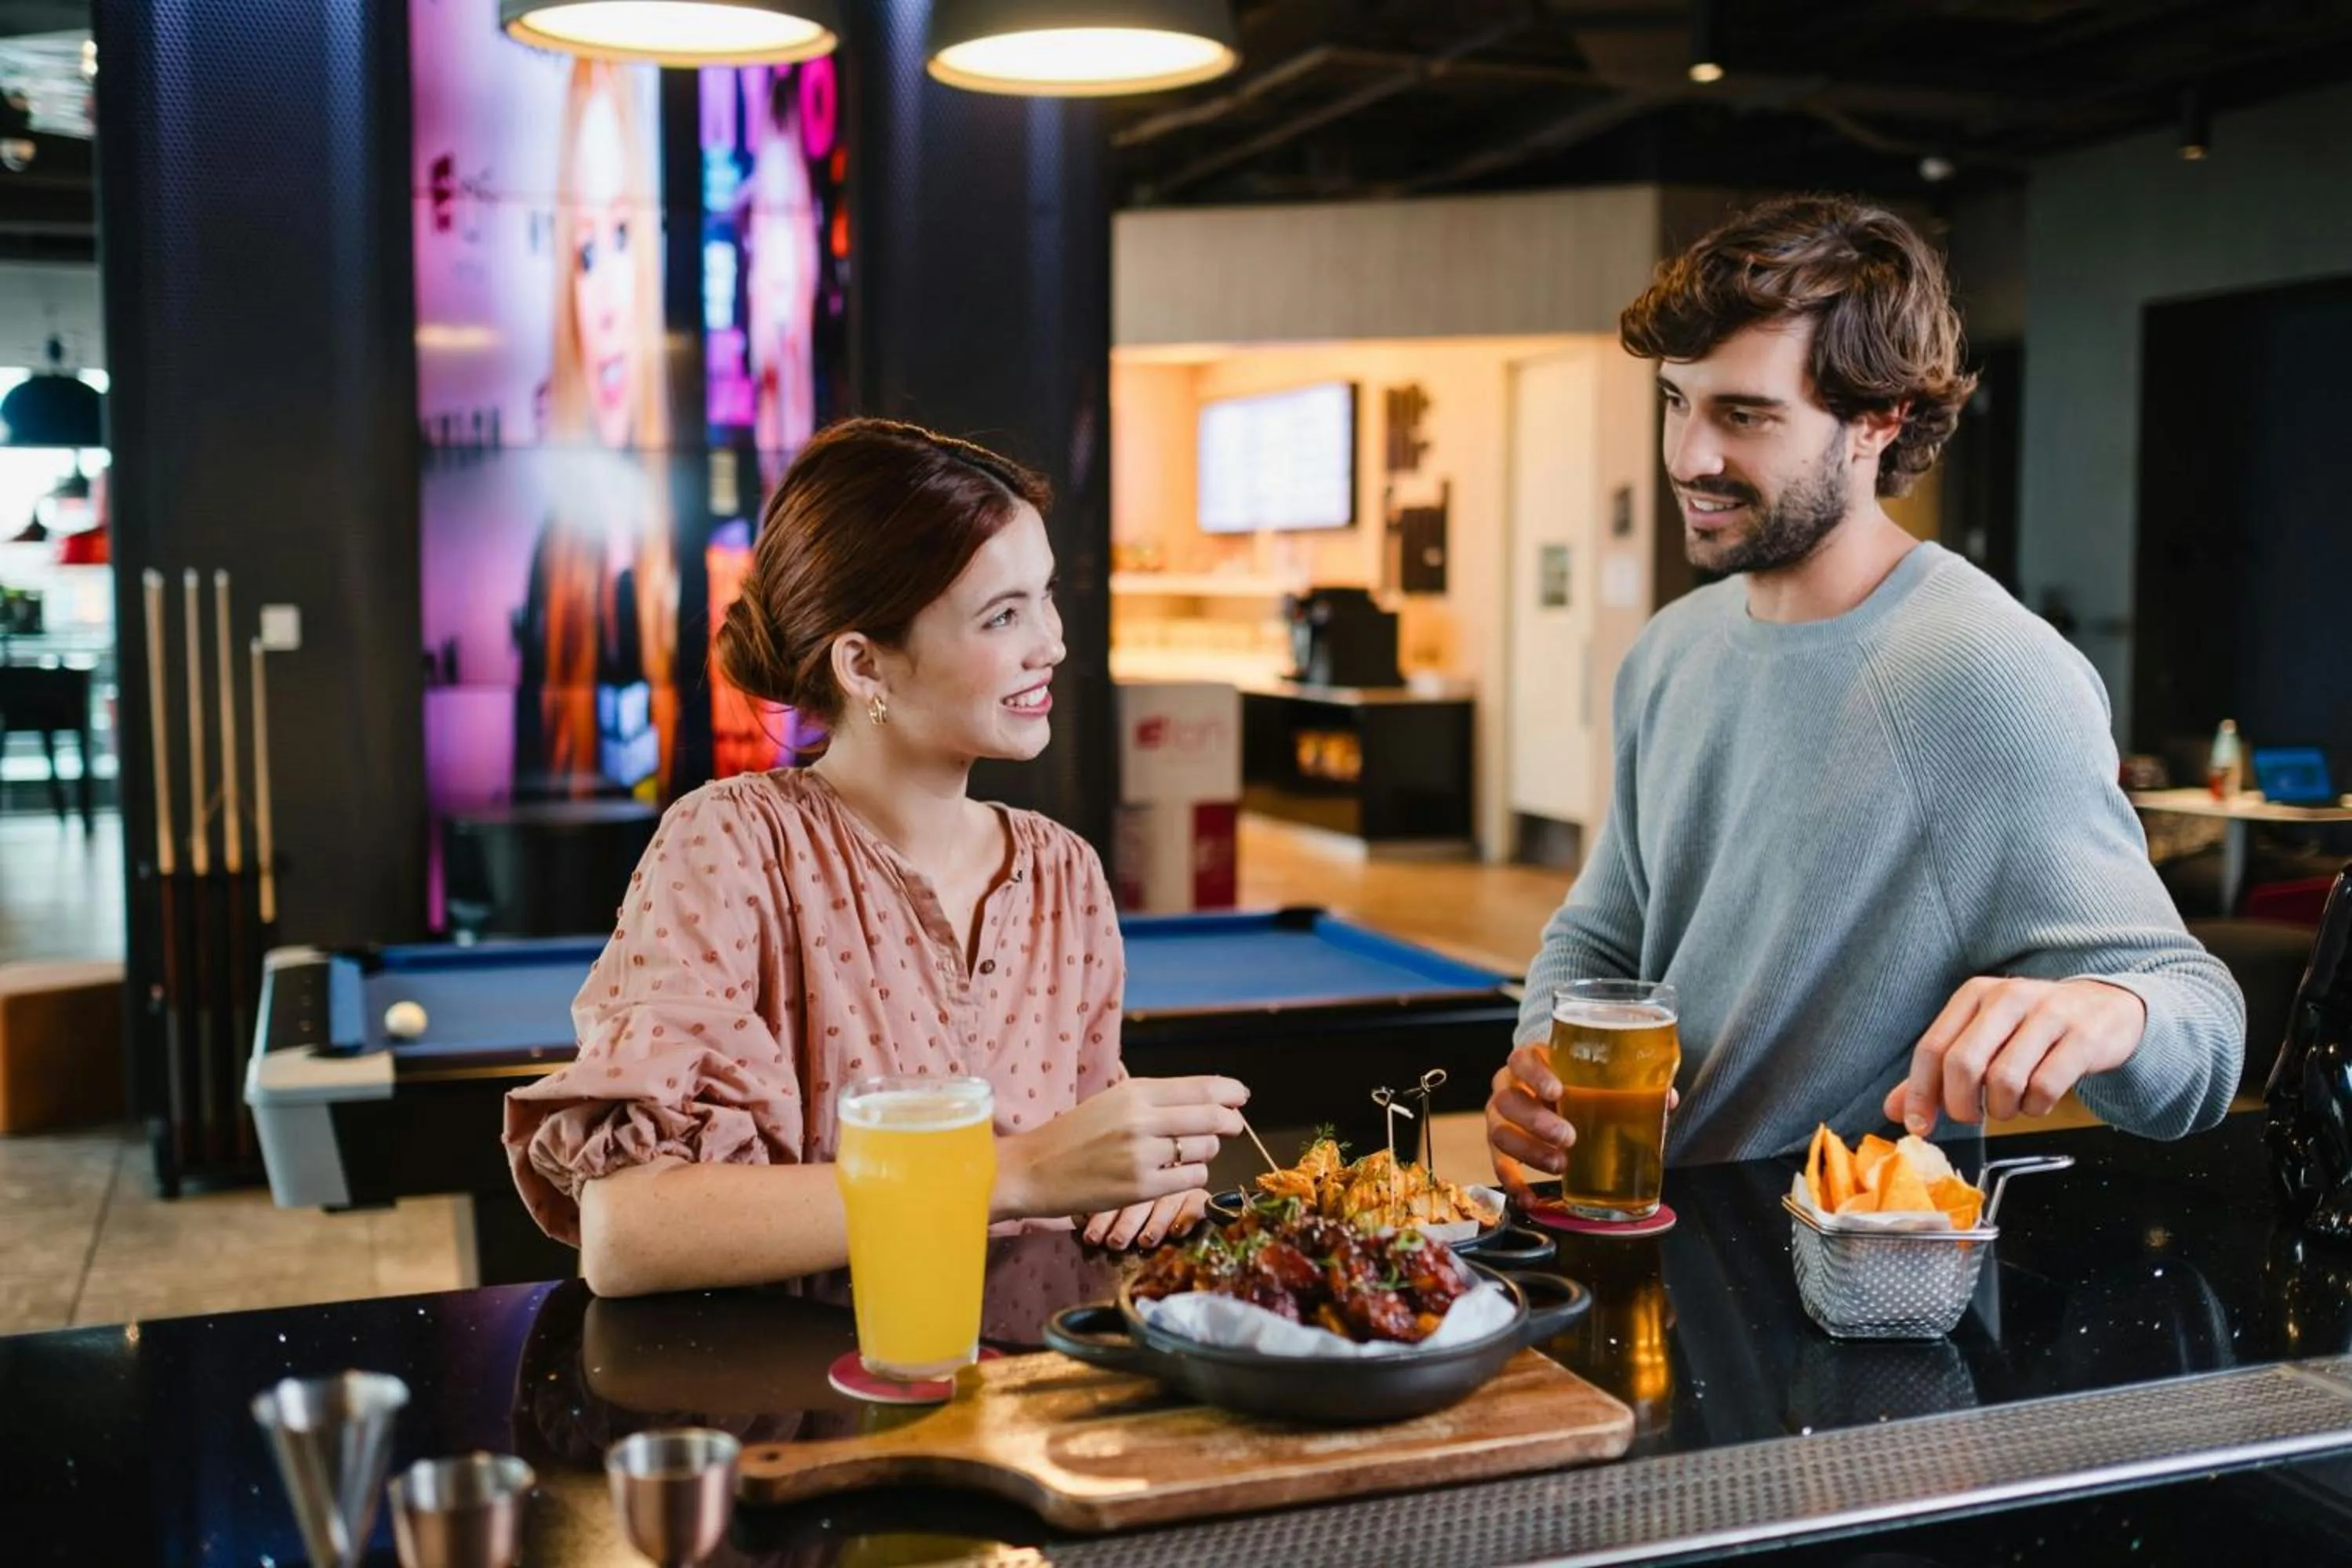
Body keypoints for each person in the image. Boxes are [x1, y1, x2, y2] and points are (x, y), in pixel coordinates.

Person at [1485, 195, 2245, 1195]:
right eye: (1678, 401)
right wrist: (1542, 1061)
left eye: (1745, 415)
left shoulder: (1985, 671)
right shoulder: (1672, 648)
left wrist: (2110, 1011)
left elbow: (2197, 1020)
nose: (1688, 458)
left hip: (1821, 1286)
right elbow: (1603, 933)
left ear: (1877, 421)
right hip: (1623, 1236)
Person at [505, 418, 1248, 1296]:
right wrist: (1016, 1174)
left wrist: (1135, 1189)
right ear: (863, 664)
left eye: (1045, 597)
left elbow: (1076, 1182)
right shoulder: (734, 843)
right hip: (804, 1401)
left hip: (1026, 1403)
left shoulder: (1065, 874)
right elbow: (632, 1233)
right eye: (1002, 614)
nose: (1049, 642)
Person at [513, 60, 679, 802]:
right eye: (584, 254)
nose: (608, 298)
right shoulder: (553, 562)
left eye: (622, 238)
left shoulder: (712, 550)